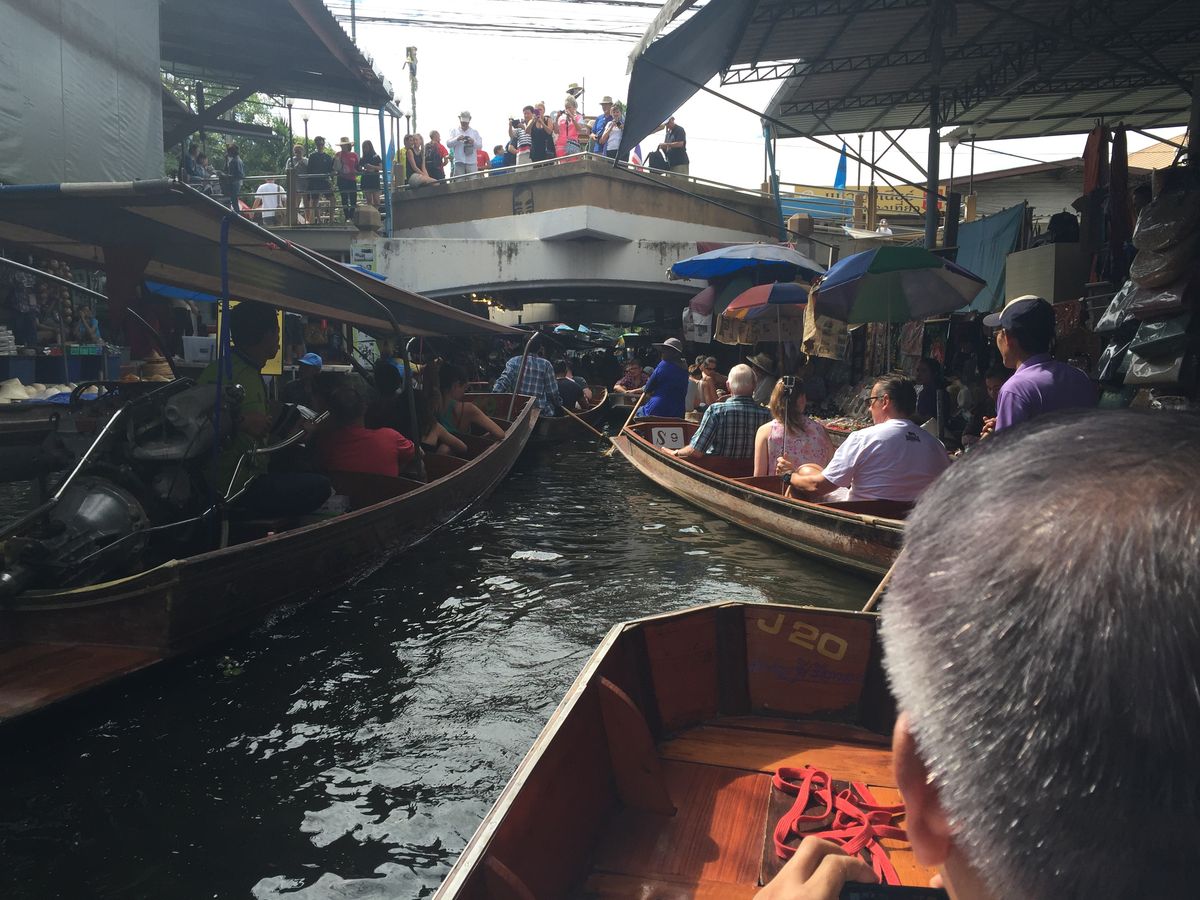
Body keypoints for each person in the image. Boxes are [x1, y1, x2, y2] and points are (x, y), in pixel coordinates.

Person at [197, 302, 330, 516]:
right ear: (268, 334)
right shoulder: (238, 376)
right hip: (236, 487)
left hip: (225, 478)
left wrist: (293, 434)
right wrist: (241, 422)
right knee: (320, 486)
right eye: (277, 332)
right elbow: (203, 423)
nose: (279, 338)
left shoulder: (223, 368)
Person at [787, 375, 948, 503]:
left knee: (803, 476)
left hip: (861, 515)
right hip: (913, 519)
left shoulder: (862, 438)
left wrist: (789, 476)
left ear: (885, 401)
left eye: (870, 402)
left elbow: (817, 487)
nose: (869, 409)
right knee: (809, 471)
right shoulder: (936, 445)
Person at [981, 295, 1096, 435]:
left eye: (997, 333)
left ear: (1008, 337)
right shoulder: (1080, 377)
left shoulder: (1015, 390)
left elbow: (1009, 447)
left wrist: (994, 438)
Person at [312, 375, 415, 478]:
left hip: (343, 487)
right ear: (365, 408)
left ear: (332, 415)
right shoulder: (391, 437)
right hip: (388, 488)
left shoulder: (326, 442)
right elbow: (418, 453)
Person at [674, 364, 770, 459]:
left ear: (728, 385)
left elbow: (696, 451)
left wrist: (675, 452)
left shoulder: (716, 411)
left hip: (715, 468)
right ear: (754, 386)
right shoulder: (767, 415)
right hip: (750, 468)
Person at [753, 378, 834, 477]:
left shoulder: (765, 432)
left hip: (779, 487)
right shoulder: (820, 431)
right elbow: (832, 470)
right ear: (802, 399)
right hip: (815, 486)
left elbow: (759, 477)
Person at [440, 364, 506, 439]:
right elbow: (500, 434)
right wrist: (481, 438)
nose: (464, 394)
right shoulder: (467, 408)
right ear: (455, 385)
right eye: (464, 388)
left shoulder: (432, 405)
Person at [492, 343, 561, 414]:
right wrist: (558, 403)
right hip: (539, 412)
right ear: (540, 348)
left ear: (524, 346)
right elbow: (553, 392)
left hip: (516, 410)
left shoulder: (514, 361)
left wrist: (493, 395)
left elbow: (503, 382)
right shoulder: (546, 364)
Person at [634, 337, 690, 418]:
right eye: (663, 351)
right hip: (678, 412)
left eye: (666, 351)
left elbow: (648, 387)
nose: (662, 353)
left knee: (638, 412)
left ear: (675, 353)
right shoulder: (684, 369)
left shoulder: (664, 365)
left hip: (658, 409)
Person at [914, 356, 949, 427]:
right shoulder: (920, 389)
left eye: (924, 371)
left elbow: (930, 420)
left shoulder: (937, 393)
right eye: (918, 370)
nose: (918, 374)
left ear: (934, 373)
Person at [306, 137, 334, 221]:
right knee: (315, 201)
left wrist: (332, 177)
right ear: (316, 145)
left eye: (321, 144)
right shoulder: (312, 156)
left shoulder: (328, 157)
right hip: (315, 181)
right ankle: (318, 220)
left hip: (325, 181)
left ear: (324, 144)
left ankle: (331, 219)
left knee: (332, 199)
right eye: (318, 144)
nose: (320, 146)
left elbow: (331, 169)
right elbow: (309, 169)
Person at [333, 137, 359, 222]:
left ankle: (351, 216)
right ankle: (347, 216)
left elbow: (357, 166)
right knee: (344, 199)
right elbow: (335, 167)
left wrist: (357, 171)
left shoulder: (354, 155)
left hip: (352, 179)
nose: (343, 147)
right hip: (342, 179)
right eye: (342, 145)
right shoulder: (338, 154)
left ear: (348, 145)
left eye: (344, 145)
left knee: (353, 199)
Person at [448, 112, 483, 176]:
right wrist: (457, 139)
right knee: (459, 181)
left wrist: (473, 141)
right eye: (463, 121)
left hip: (472, 162)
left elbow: (480, 146)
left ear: (470, 119)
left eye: (466, 122)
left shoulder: (475, 132)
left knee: (473, 181)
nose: (464, 123)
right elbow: (448, 144)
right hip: (459, 162)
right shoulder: (454, 131)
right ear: (459, 118)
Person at [284, 145, 308, 219]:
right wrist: (297, 165)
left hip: (305, 184)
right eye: (296, 151)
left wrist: (303, 164)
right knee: (296, 203)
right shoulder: (290, 160)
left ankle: (308, 219)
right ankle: (295, 219)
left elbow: (309, 169)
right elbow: (287, 171)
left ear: (303, 151)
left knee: (306, 203)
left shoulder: (306, 160)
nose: (298, 153)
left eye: (299, 151)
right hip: (295, 184)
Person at [358, 140, 383, 207]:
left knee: (376, 200)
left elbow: (381, 167)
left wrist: (372, 167)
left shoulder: (376, 156)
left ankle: (376, 213)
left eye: (366, 147)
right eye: (363, 147)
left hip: (375, 180)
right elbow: (359, 168)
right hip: (366, 180)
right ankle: (371, 213)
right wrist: (364, 169)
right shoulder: (362, 158)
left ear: (370, 147)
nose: (365, 149)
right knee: (369, 201)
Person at [223, 143, 245, 212]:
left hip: (234, 183)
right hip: (235, 183)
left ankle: (237, 215)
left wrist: (229, 176)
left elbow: (240, 174)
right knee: (234, 202)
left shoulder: (236, 161)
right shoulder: (236, 160)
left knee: (234, 202)